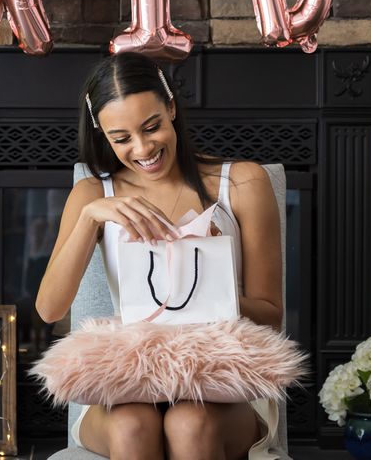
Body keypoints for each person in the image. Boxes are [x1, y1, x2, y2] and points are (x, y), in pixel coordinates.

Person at [36, 53, 283, 460]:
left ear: (171, 107)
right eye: (122, 139)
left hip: (220, 383)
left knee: (190, 424)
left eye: (152, 127)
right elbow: (49, 309)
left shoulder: (241, 182)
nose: (143, 148)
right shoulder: (94, 194)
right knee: (134, 425)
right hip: (131, 383)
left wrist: (204, 292)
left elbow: (272, 314)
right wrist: (90, 217)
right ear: (103, 135)